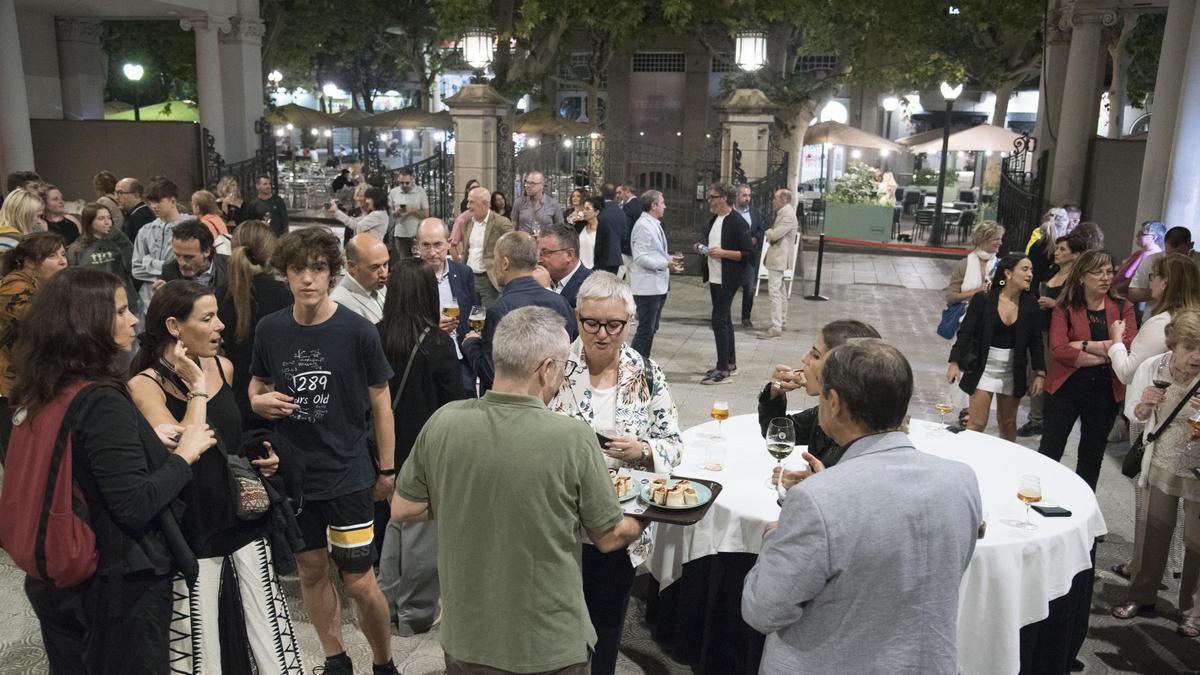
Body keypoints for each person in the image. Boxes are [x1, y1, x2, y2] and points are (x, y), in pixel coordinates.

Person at [391, 305, 649, 674]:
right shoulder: (571, 437)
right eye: (563, 368)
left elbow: (403, 509)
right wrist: (644, 514)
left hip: (467, 640)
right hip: (546, 645)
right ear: (546, 370)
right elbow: (608, 537)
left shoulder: (444, 422)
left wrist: (468, 499)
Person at [15, 267, 216, 674]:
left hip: (56, 576)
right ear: (89, 323)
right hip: (116, 581)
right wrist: (185, 455)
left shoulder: (44, 385)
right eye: (121, 310)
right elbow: (134, 504)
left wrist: (143, 440)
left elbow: (82, 459)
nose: (133, 319)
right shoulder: (102, 399)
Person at [742, 340, 981, 674]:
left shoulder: (817, 499)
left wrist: (775, 536)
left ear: (834, 402)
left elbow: (762, 610)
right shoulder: (961, 480)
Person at [128, 280, 301, 674]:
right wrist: (197, 390)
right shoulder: (144, 385)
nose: (221, 325)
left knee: (268, 635)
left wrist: (264, 460)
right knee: (200, 647)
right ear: (174, 326)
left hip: (242, 518)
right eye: (208, 318)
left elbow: (230, 440)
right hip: (193, 529)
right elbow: (188, 447)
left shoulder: (224, 366)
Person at [248, 227, 399, 675]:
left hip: (348, 473)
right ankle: (335, 658)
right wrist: (257, 400)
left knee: (359, 580)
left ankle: (383, 661)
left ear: (333, 273)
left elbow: (381, 403)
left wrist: (387, 469)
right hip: (294, 476)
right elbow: (257, 384)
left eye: (317, 269)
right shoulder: (270, 329)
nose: (308, 279)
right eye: (298, 269)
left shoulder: (357, 331)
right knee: (311, 572)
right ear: (286, 274)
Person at [548, 272, 682, 675]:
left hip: (620, 522)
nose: (602, 334)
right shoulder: (552, 369)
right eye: (591, 322)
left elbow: (674, 444)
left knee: (607, 626)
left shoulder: (646, 372)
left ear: (630, 323)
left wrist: (644, 451)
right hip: (559, 522)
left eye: (614, 325)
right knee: (557, 626)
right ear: (576, 316)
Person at [376, 257, 467, 635]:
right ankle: (415, 614)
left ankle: (385, 604)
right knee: (420, 538)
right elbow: (454, 404)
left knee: (393, 532)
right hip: (423, 451)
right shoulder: (439, 344)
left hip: (382, 451)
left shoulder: (374, 334)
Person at [1108, 254, 1200, 584]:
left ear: (1168, 282)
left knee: (1148, 505)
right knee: (1175, 509)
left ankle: (1142, 568)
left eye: (1157, 277)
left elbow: (1128, 370)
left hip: (1155, 422)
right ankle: (1167, 567)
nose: (1152, 284)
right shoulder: (1189, 318)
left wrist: (1116, 342)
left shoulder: (1163, 324)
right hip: (1167, 422)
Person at [1111, 310, 1200, 639]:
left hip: (1197, 471)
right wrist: (1145, 405)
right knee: (1152, 532)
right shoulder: (1154, 367)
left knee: (1197, 544)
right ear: (1174, 345)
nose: (1197, 356)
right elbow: (1134, 412)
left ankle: (1192, 611)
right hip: (1161, 461)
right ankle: (1141, 596)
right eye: (1190, 347)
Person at [1038, 249, 1138, 491]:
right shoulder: (1065, 307)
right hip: (1067, 386)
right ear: (1082, 276)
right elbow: (1060, 350)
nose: (1105, 278)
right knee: (1050, 450)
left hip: (1105, 388)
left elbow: (1131, 343)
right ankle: (1040, 499)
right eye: (1098, 272)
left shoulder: (1123, 305)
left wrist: (1083, 345)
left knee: (1092, 455)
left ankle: (1083, 514)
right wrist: (1110, 353)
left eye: (1108, 272)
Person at [759, 319, 882, 488]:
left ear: (842, 367)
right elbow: (777, 436)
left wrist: (817, 489)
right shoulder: (826, 414)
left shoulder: (869, 442)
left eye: (816, 355)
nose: (804, 359)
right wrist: (775, 394)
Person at [462, 231, 577, 394]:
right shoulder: (561, 302)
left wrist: (471, 345)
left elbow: (492, 373)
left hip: (513, 407)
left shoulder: (500, 310)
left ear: (505, 263)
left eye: (495, 259)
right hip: (554, 401)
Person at [947, 254, 1046, 441]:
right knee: (976, 423)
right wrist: (954, 362)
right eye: (1024, 269)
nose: (1030, 274)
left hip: (1012, 369)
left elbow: (1036, 341)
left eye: (1031, 270)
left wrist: (1040, 373)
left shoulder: (1030, 303)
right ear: (1008, 273)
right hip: (984, 368)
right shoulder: (983, 299)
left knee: (1007, 424)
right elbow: (966, 333)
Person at [218, 220, 290, 428]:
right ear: (271, 253)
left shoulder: (222, 293)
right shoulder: (283, 296)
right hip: (273, 403)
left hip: (233, 401)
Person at [0, 232, 67, 453]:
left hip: (32, 384)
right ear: (30, 262)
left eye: (63, 254)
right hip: (8, 388)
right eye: (52, 255)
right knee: (18, 458)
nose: (62, 261)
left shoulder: (48, 287)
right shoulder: (13, 286)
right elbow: (45, 322)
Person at [1019, 232, 1091, 437]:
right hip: (1039, 328)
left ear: (1076, 255)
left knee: (1047, 375)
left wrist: (1055, 304)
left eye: (1062, 250)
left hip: (1057, 333)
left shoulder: (1077, 280)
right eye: (1057, 248)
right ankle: (1037, 417)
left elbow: (1080, 307)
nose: (1057, 253)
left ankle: (1041, 419)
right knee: (1035, 372)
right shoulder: (1052, 270)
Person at [694, 182, 752, 385]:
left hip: (730, 277)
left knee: (718, 320)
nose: (709, 200)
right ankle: (730, 363)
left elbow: (748, 254)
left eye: (713, 196)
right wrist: (701, 247)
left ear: (725, 199)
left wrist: (723, 253)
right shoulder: (713, 219)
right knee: (724, 320)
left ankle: (722, 368)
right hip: (715, 276)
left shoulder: (738, 222)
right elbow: (708, 242)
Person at [416, 218, 477, 394]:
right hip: (425, 358)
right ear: (418, 245)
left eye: (437, 245)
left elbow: (474, 311)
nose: (432, 252)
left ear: (449, 243)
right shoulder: (411, 277)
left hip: (460, 355)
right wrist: (432, 329)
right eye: (426, 245)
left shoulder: (463, 273)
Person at [628, 190, 681, 360]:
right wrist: (665, 264)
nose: (665, 206)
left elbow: (655, 252)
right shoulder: (643, 226)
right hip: (647, 288)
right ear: (654, 205)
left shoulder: (653, 223)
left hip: (657, 286)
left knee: (651, 328)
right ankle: (635, 364)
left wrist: (669, 258)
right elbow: (640, 257)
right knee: (645, 329)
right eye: (662, 203)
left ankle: (643, 361)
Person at [67, 202, 139, 316]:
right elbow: (74, 281)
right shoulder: (76, 249)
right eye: (101, 218)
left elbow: (134, 266)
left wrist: (121, 238)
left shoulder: (119, 241)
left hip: (126, 301)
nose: (107, 222)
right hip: (97, 305)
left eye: (109, 218)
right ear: (89, 222)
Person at [133, 177, 194, 310]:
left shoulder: (192, 226)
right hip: (149, 301)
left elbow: (191, 267)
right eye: (150, 202)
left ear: (172, 201)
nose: (153, 206)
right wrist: (169, 269)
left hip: (182, 297)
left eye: (158, 201)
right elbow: (136, 269)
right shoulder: (145, 230)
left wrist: (149, 262)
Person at [461, 185, 514, 308]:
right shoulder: (468, 222)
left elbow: (514, 244)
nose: (468, 206)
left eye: (471, 202)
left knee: (488, 316)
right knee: (471, 315)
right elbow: (467, 250)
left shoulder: (501, 222)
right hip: (469, 277)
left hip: (489, 279)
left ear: (485, 204)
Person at [756, 188, 799, 339]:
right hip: (778, 257)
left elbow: (774, 235)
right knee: (780, 290)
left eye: (775, 198)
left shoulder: (787, 215)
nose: (773, 201)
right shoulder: (784, 213)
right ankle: (782, 321)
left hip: (779, 258)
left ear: (784, 200)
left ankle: (776, 326)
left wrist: (766, 231)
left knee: (774, 291)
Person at [157, 220, 230, 301]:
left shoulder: (231, 267)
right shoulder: (169, 270)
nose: (181, 263)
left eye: (188, 257)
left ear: (207, 251)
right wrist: (162, 299)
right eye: (177, 255)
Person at [1129, 226, 1197, 304]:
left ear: (1190, 245)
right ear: (1165, 244)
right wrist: (1159, 292)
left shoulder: (1197, 263)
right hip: (1155, 313)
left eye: (1179, 255)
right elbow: (1132, 293)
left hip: (1189, 313)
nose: (1174, 259)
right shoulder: (1152, 260)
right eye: (1169, 254)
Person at [331, 233, 390, 324]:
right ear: (352, 266)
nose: (384, 273)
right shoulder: (339, 304)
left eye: (385, 264)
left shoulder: (378, 285)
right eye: (375, 267)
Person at [946, 220, 1004, 306]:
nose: (1000, 243)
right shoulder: (964, 264)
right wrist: (977, 291)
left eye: (1000, 239)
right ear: (983, 240)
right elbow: (950, 298)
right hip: (965, 315)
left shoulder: (1002, 265)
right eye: (996, 239)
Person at [539, 223, 592, 308]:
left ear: (569, 255)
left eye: (546, 253)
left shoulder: (590, 287)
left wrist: (546, 291)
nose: (539, 259)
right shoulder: (537, 280)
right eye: (538, 253)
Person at [733, 184, 763, 328]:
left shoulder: (755, 212)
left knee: (749, 287)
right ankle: (723, 314)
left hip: (749, 255)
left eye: (749, 195)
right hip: (732, 254)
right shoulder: (730, 212)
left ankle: (746, 317)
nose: (747, 198)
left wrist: (756, 238)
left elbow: (760, 229)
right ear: (737, 196)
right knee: (729, 287)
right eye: (744, 195)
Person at [1114, 221, 1166, 299]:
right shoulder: (1139, 253)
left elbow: (1132, 281)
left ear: (1153, 237)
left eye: (1141, 233)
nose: (1137, 235)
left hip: (1123, 298)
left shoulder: (1153, 257)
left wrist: (1112, 289)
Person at [387, 168, 429, 260]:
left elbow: (426, 214)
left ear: (412, 180)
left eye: (407, 183)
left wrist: (412, 210)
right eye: (401, 183)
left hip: (417, 233)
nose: (404, 185)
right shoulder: (394, 192)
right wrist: (398, 212)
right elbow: (390, 214)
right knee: (405, 263)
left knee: (419, 261)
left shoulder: (420, 192)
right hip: (400, 234)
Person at [596, 184, 626, 275]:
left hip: (599, 256)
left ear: (601, 193)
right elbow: (624, 234)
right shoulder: (621, 211)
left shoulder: (598, 210)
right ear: (614, 195)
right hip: (615, 257)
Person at [448, 178, 481, 259]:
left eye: (478, 188)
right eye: (473, 188)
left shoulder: (491, 217)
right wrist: (460, 267)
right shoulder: (462, 219)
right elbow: (452, 245)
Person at [116, 177, 155, 242]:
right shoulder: (132, 214)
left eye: (120, 193)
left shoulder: (142, 217)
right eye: (116, 193)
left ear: (136, 195)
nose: (116, 197)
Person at [577, 196, 609, 269]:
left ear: (596, 212)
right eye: (583, 208)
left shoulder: (603, 229)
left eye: (587, 209)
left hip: (593, 270)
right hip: (578, 269)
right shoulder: (580, 226)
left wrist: (595, 271)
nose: (584, 211)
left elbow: (604, 255)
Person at [616, 182, 640, 274]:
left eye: (620, 192)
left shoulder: (629, 207)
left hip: (627, 248)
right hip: (635, 245)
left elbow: (626, 228)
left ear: (627, 191)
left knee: (620, 274)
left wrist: (622, 245)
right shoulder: (638, 203)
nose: (618, 195)